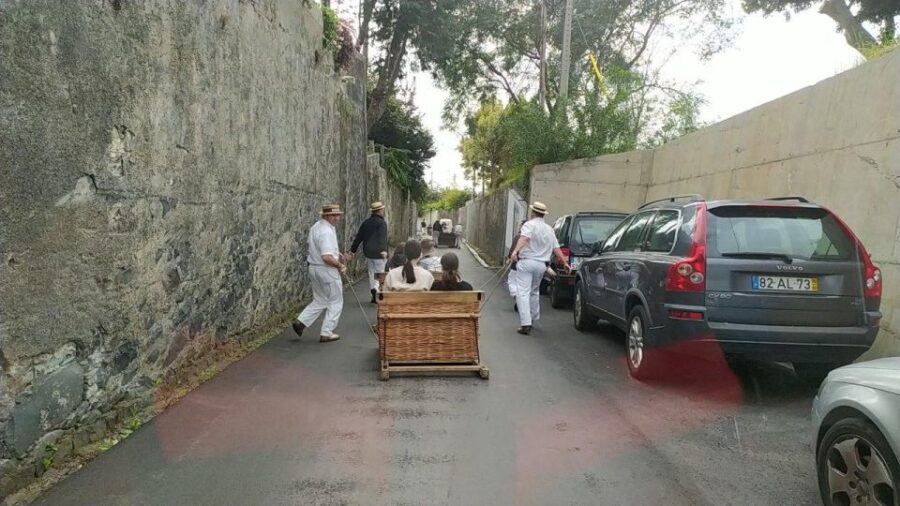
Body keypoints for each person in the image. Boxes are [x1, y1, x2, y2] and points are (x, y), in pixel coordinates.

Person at [508, 202, 571, 335]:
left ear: (532, 212)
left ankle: (526, 323)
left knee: (523, 293)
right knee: (534, 291)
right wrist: (564, 262)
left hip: (527, 262)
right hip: (541, 265)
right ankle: (534, 317)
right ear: (543, 214)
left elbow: (524, 238)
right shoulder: (549, 229)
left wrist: (515, 252)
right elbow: (556, 248)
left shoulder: (529, 225)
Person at [292, 204, 347, 343]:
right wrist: (340, 265)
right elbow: (326, 257)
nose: (337, 218)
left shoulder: (316, 227)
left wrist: (336, 253)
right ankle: (326, 332)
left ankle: (301, 321)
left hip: (314, 268)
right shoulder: (326, 231)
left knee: (321, 299)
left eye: (338, 214)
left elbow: (321, 248)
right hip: (326, 269)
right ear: (326, 215)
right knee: (336, 301)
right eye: (333, 215)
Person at [347, 201, 388, 303]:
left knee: (371, 273)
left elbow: (359, 237)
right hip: (379, 252)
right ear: (379, 211)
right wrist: (384, 250)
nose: (383, 211)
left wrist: (353, 250)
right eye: (382, 209)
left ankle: (373, 291)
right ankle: (378, 291)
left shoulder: (366, 223)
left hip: (368, 252)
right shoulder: (382, 223)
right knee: (380, 273)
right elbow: (382, 237)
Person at [507, 220, 527, 310]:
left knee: (512, 282)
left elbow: (511, 251)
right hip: (527, 266)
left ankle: (517, 297)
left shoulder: (518, 237)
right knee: (523, 286)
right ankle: (522, 301)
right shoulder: (532, 239)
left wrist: (509, 258)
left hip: (516, 265)